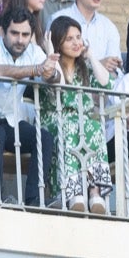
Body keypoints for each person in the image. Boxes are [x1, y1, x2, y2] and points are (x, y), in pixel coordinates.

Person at [0, 6, 59, 205]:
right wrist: (37, 69)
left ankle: (35, 199)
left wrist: (51, 73)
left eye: (25, 34)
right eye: (14, 33)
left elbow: (53, 78)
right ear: (3, 31)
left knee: (44, 138)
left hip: (12, 119)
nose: (20, 40)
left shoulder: (33, 50)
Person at [39, 14, 114, 213]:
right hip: (57, 119)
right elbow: (60, 86)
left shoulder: (85, 66)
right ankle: (74, 193)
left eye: (78, 37)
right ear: (57, 42)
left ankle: (94, 192)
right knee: (73, 124)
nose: (76, 42)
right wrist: (50, 55)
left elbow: (106, 83)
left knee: (94, 125)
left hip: (84, 119)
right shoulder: (50, 66)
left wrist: (90, 56)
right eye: (69, 38)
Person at [55, 0, 123, 76]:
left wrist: (112, 65)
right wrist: (97, 65)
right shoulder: (59, 19)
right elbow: (55, 61)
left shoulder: (109, 26)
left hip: (103, 88)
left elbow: (115, 67)